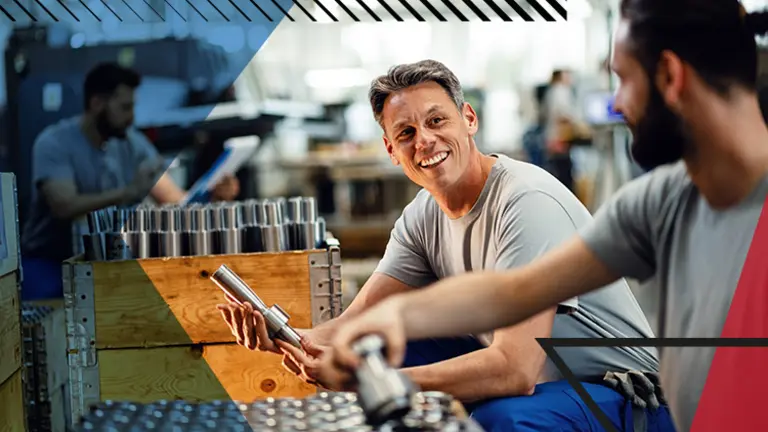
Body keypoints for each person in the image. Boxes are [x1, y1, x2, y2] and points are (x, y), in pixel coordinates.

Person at [323, 2, 768, 431]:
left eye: (624, 80)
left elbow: (515, 364)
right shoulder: (652, 204)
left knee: (505, 418)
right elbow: (518, 290)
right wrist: (396, 319)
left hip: (652, 402)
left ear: (670, 76)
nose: (617, 103)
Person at [219, 59, 664, 430]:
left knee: (499, 418)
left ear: (468, 119)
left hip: (621, 393)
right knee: (382, 346)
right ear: (392, 150)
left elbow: (515, 369)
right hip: (548, 380)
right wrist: (288, 338)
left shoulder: (525, 202)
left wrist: (376, 384)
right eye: (406, 132)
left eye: (436, 120)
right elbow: (358, 324)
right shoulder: (423, 215)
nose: (425, 140)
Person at [20, 62, 239, 300]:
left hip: (106, 261)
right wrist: (126, 193)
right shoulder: (54, 143)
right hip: (50, 262)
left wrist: (211, 195)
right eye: (125, 108)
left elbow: (175, 200)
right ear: (96, 104)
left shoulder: (132, 143)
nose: (131, 117)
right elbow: (64, 205)